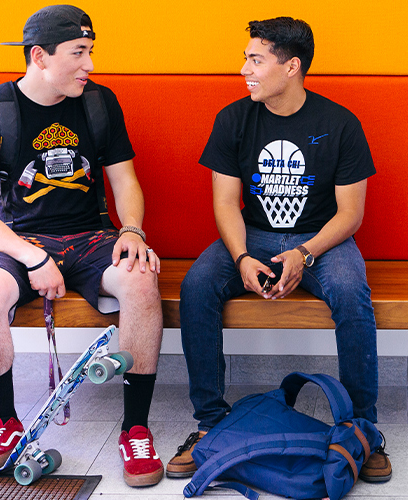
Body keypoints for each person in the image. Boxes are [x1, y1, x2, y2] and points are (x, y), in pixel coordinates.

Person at [166, 17, 391, 483]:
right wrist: (242, 257)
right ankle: (210, 422)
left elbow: (350, 215)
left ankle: (362, 428)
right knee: (197, 285)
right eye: (246, 58)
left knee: (352, 294)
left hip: (323, 240)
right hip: (254, 236)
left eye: (254, 59)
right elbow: (226, 202)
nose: (243, 69)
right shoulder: (233, 118)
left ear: (291, 67)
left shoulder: (339, 123)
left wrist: (305, 253)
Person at [0, 5, 164, 488]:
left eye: (91, 51)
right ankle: (3, 423)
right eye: (79, 53)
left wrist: (132, 229)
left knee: (141, 279)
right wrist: (34, 257)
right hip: (17, 239)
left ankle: (135, 428)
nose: (90, 64)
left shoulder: (99, 103)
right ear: (40, 56)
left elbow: (125, 180)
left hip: (90, 235)